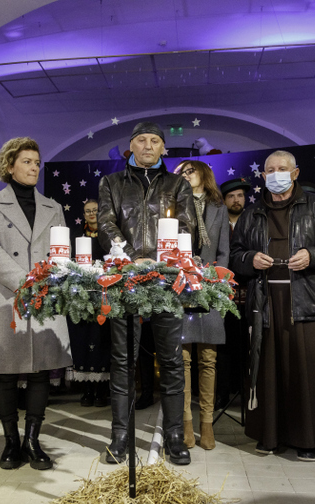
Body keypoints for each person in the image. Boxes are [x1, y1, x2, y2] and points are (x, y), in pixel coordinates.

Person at [231, 150, 315, 461]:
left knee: (307, 372)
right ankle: (269, 436)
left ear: (295, 173)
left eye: (282, 169)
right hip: (265, 302)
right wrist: (250, 259)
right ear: (263, 176)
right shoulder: (251, 214)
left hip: (306, 301)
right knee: (268, 372)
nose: (276, 174)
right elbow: (235, 256)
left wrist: (312, 255)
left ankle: (308, 439)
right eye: (270, 170)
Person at [98, 121, 196, 466]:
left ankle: (174, 436)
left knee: (171, 360)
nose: (148, 145)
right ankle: (120, 435)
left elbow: (187, 226)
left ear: (163, 148)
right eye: (142, 140)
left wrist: (157, 260)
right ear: (131, 145)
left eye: (155, 140)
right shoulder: (111, 182)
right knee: (123, 361)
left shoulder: (178, 184)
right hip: (125, 278)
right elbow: (106, 223)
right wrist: (129, 256)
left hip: (167, 279)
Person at [0, 137, 71, 471]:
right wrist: (25, 281)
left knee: (41, 371)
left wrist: (51, 281)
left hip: (44, 295)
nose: (34, 168)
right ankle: (10, 442)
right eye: (27, 162)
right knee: (5, 372)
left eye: (37, 162)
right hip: (7, 295)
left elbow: (61, 252)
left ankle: (32, 440)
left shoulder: (53, 207)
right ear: (10, 166)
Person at [174, 160, 229, 450]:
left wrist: (217, 282)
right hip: (180, 285)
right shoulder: (173, 207)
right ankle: (186, 423)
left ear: (204, 174)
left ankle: (206, 424)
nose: (185, 175)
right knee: (182, 359)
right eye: (180, 173)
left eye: (190, 171)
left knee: (208, 358)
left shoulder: (219, 208)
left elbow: (224, 251)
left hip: (209, 286)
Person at [68, 199, 111, 407]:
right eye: (88, 211)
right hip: (82, 294)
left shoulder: (109, 235)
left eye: (95, 210)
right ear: (84, 215)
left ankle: (102, 390)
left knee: (103, 340)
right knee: (83, 339)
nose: (92, 213)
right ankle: (86, 390)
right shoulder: (76, 236)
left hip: (105, 293)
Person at [215, 178, 251, 411]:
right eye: (231, 196)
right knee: (223, 347)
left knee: (247, 345)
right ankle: (222, 395)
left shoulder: (253, 220)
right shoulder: (218, 223)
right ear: (224, 200)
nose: (236, 200)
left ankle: (248, 394)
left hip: (249, 291)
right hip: (223, 293)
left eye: (240, 195)